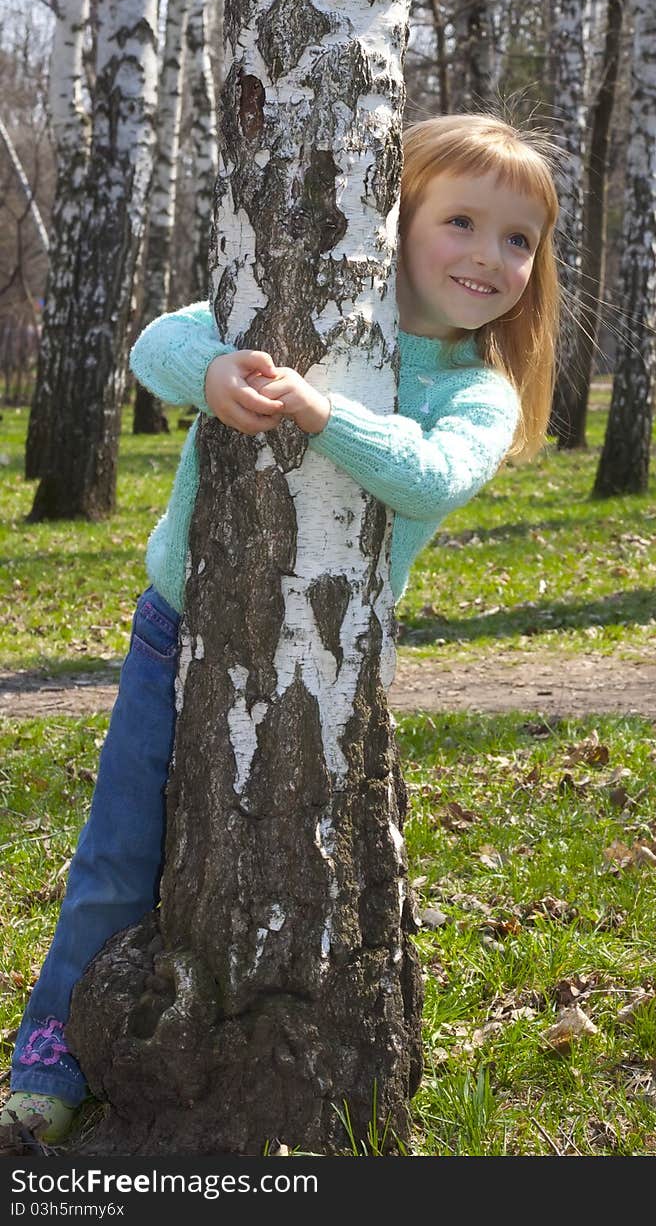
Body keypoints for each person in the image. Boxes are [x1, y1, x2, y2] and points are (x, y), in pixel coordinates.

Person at [1, 113, 560, 1144]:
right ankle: (50, 1051)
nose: (489, 257)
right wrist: (214, 376)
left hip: (323, 667)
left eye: (518, 239)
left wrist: (319, 412)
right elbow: (158, 341)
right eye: (462, 223)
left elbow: (429, 475)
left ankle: (290, 1046)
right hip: (179, 628)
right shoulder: (301, 304)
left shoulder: (475, 389)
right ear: (395, 222)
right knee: (119, 854)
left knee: (281, 862)